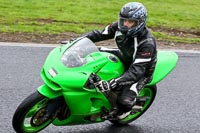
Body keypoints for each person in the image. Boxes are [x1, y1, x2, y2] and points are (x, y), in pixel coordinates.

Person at [85, 2, 157, 119]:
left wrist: (114, 82)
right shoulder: (119, 26)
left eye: (131, 22)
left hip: (141, 72)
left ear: (140, 22)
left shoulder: (146, 43)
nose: (125, 24)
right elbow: (98, 34)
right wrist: (77, 41)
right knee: (90, 52)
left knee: (123, 101)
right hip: (124, 56)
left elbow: (136, 71)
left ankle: (127, 110)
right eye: (124, 20)